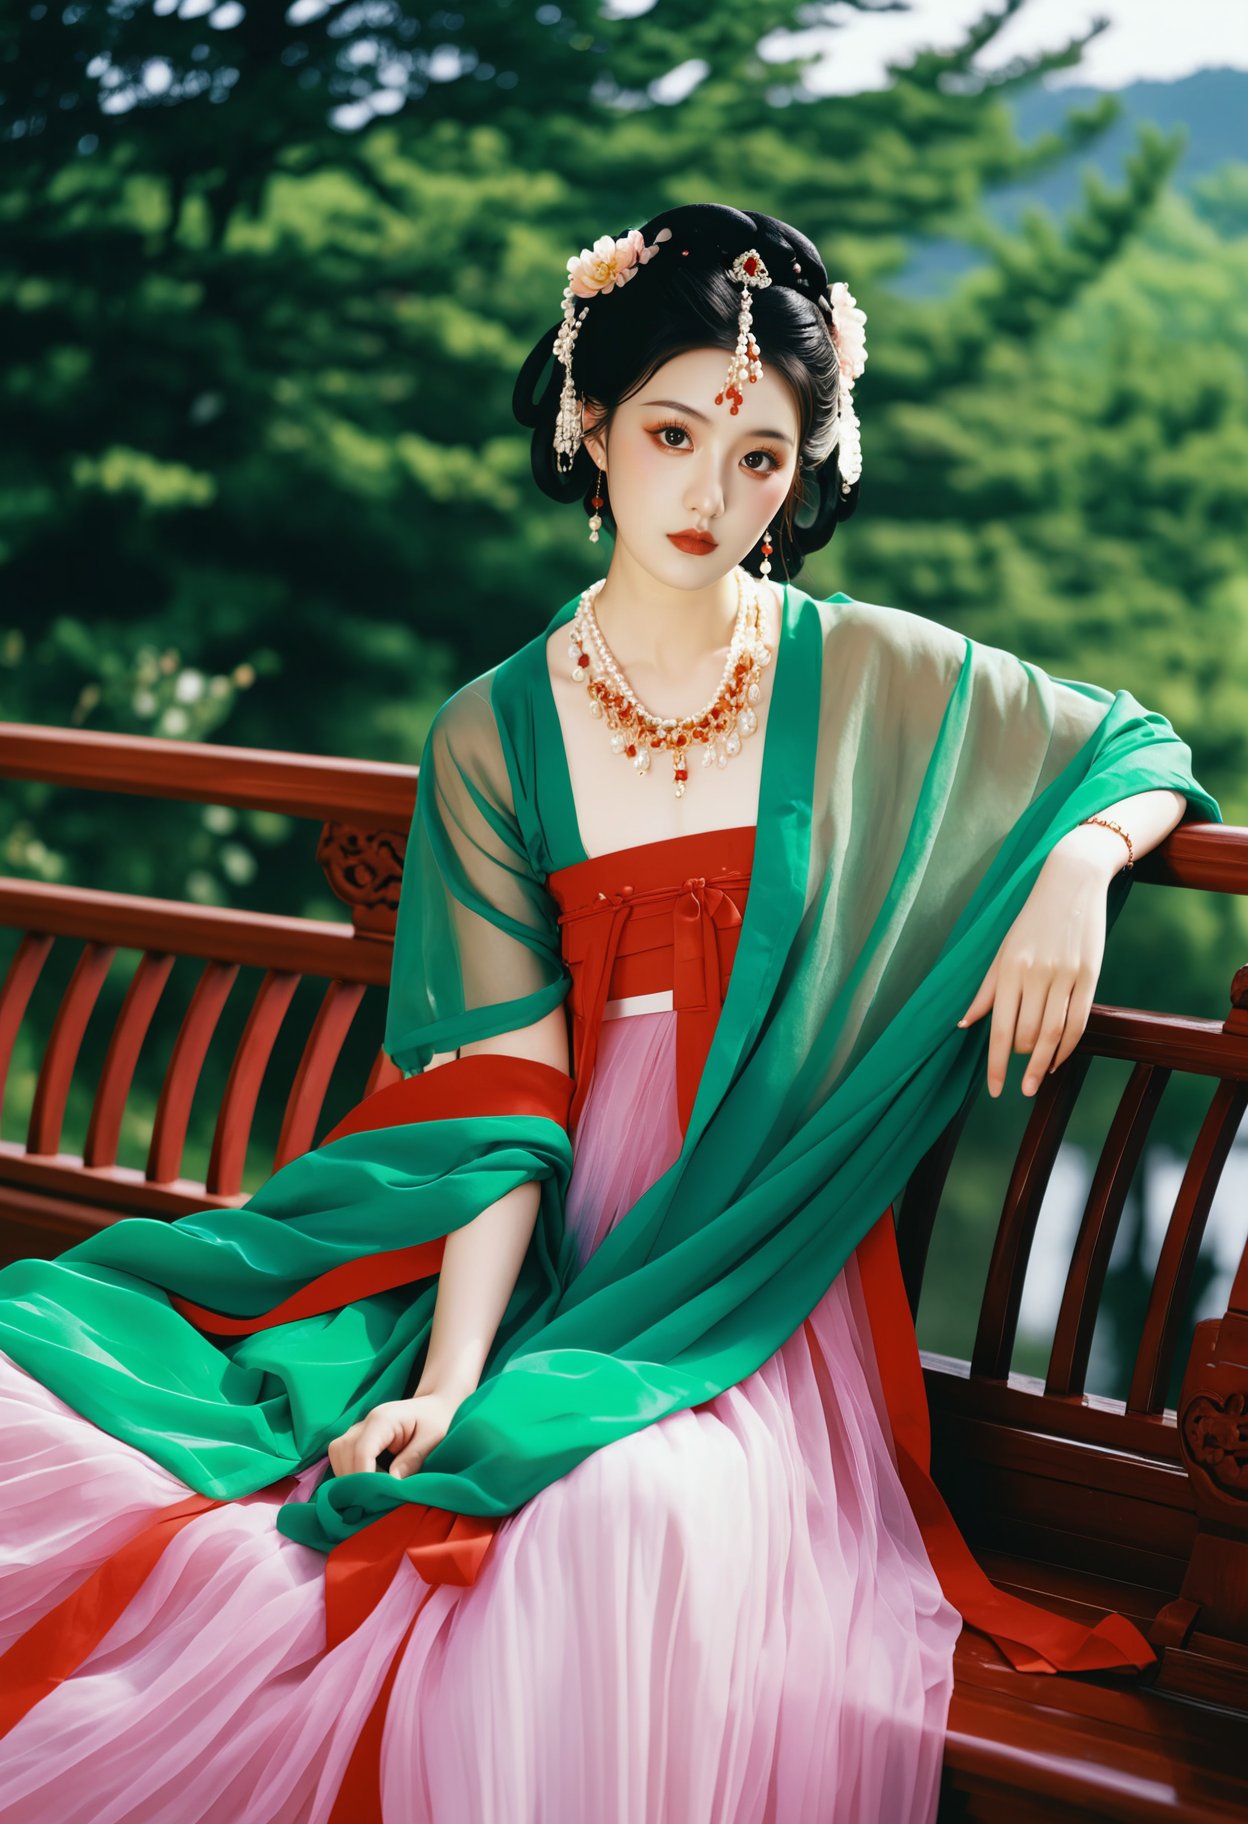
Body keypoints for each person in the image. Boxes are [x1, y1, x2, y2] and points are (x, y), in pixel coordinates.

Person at [0, 203, 1223, 1823]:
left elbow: (1134, 746)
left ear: (804, 477)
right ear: (592, 425)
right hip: (551, 1248)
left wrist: (1077, 858)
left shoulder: (862, 678)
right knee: (62, 1397)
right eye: (672, 434)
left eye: (762, 458)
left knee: (608, 1522)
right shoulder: (493, 735)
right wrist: (449, 1369)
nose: (711, 496)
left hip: (744, 1290)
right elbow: (507, 1098)